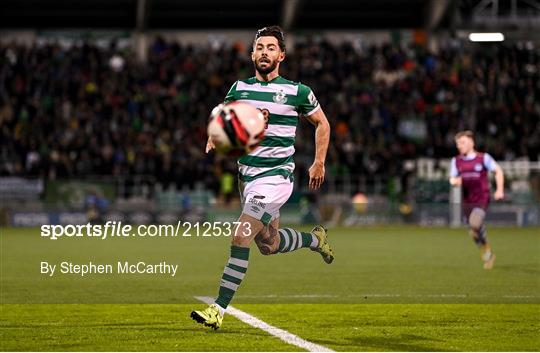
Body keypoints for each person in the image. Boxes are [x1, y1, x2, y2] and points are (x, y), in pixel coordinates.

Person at [191, 26, 334, 329]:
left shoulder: (298, 91)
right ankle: (314, 239)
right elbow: (225, 116)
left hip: (276, 177)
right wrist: (215, 135)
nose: (264, 52)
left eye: (271, 47)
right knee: (268, 244)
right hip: (248, 177)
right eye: (260, 47)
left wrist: (318, 162)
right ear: (252, 54)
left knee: (241, 234)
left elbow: (322, 123)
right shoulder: (239, 88)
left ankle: (218, 309)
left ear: (281, 55)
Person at [449, 130, 504, 269]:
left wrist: (499, 190)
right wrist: (455, 181)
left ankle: (482, 239)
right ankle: (488, 253)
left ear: (471, 142)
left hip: (482, 198)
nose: (459, 146)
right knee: (474, 231)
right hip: (467, 201)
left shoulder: (483, 158)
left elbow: (498, 171)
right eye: (458, 144)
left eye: (462, 142)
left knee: (475, 222)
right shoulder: (456, 161)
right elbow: (452, 178)